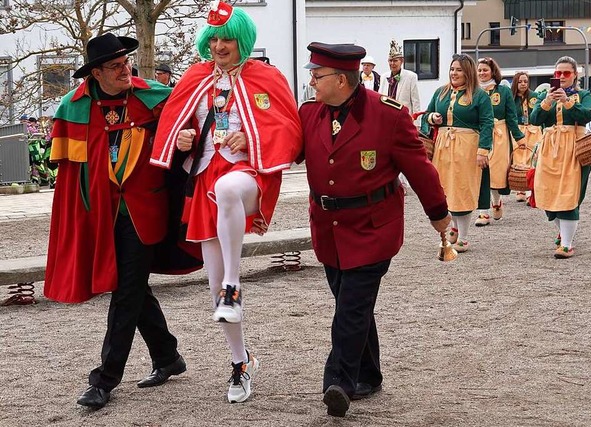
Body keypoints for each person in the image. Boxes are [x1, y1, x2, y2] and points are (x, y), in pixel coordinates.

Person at [151, 0, 303, 403]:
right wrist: (183, 139)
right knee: (213, 288)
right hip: (204, 181)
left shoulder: (266, 76)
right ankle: (241, 362)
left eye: (227, 39)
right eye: (214, 38)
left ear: (243, 41)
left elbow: (289, 128)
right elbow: (178, 126)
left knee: (230, 190)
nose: (219, 45)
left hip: (248, 175)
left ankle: (235, 285)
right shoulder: (196, 76)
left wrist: (250, 141)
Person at [298, 42, 450, 418]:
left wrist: (439, 214)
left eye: (318, 76)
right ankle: (370, 373)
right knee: (351, 303)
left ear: (342, 80)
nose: (312, 81)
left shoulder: (389, 116)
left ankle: (340, 382)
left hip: (371, 228)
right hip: (329, 227)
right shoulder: (309, 113)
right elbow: (279, 149)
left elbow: (419, 169)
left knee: (350, 308)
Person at [44, 33, 186, 410]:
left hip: (145, 211)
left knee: (125, 294)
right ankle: (168, 356)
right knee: (132, 289)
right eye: (116, 66)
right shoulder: (73, 108)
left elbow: (186, 136)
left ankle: (104, 380)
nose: (126, 70)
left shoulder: (155, 96)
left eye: (127, 63)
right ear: (96, 73)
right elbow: (68, 176)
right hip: (100, 214)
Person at [424, 53, 494, 252]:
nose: (454, 73)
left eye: (459, 70)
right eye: (452, 69)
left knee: (463, 188)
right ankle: (453, 226)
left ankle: (463, 236)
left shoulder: (479, 95)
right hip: (444, 146)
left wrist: (483, 150)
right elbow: (426, 115)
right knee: (446, 188)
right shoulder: (441, 92)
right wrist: (432, 118)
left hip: (468, 147)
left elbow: (487, 122)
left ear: (468, 72)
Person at [529, 56, 591, 259]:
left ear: (575, 75)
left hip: (573, 148)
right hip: (549, 149)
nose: (561, 77)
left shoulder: (583, 95)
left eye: (566, 73)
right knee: (546, 194)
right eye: (557, 73)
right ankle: (564, 232)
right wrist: (548, 101)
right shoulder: (545, 95)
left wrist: (567, 102)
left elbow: (588, 115)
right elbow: (534, 119)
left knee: (568, 195)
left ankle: (567, 244)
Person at [475, 57, 524, 226]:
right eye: (479, 70)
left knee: (496, 172)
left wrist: (519, 137)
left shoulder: (503, 92)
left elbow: (511, 117)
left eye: (485, 70)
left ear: (492, 72)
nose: (482, 73)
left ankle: (496, 201)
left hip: (500, 134)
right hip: (479, 135)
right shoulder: (472, 91)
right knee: (480, 172)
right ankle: (483, 212)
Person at [510, 71, 542, 202]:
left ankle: (532, 189)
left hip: (534, 130)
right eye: (520, 81)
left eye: (525, 81)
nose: (523, 84)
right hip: (518, 130)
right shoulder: (511, 98)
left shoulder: (535, 96)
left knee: (533, 158)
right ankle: (520, 187)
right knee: (518, 158)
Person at [378, 39, 420, 116]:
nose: (392, 63)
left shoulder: (411, 77)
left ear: (402, 61)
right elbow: (379, 100)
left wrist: (416, 124)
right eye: (390, 61)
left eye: (395, 61)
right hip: (387, 118)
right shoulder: (384, 77)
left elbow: (415, 102)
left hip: (403, 119)